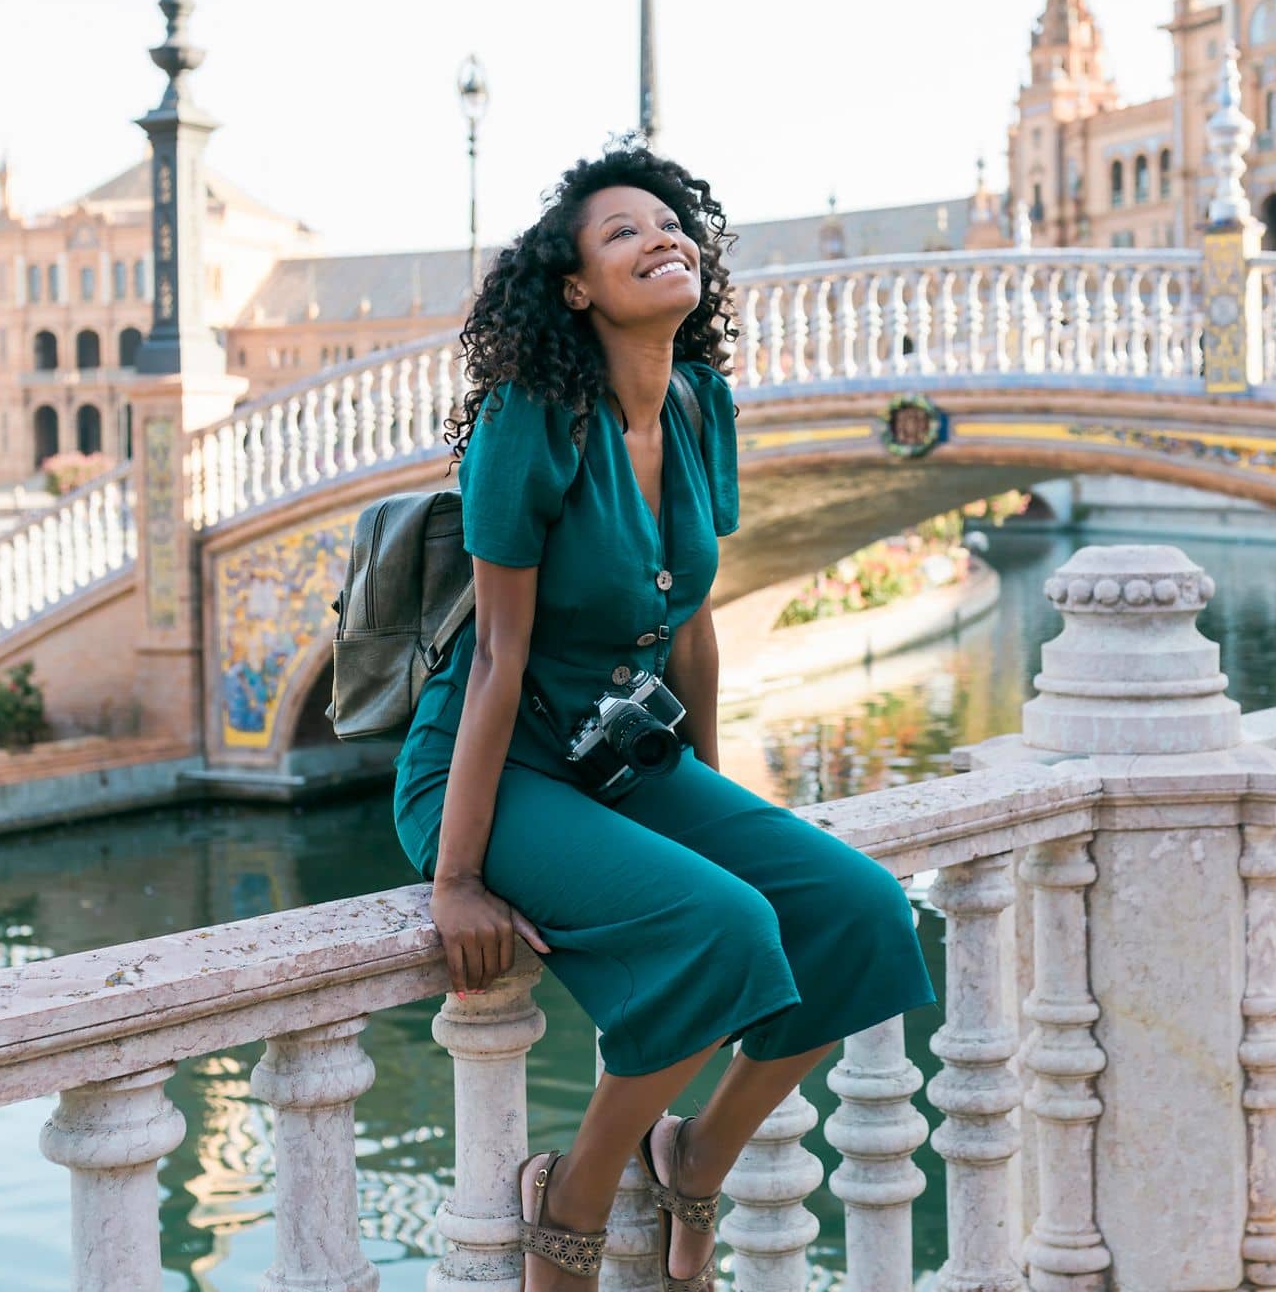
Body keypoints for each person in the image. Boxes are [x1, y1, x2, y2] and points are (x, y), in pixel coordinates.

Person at [391, 144, 936, 1291]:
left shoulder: (698, 405)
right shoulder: (526, 417)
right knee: (726, 929)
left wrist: (712, 788)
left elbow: (692, 622)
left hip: (628, 759)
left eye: (670, 222)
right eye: (623, 232)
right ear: (576, 288)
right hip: (494, 768)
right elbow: (494, 656)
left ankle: (692, 1157)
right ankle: (570, 1205)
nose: (661, 237)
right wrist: (454, 878)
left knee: (861, 914)